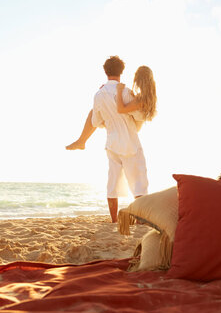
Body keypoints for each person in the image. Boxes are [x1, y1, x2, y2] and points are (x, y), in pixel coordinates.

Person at [66, 56, 157, 223]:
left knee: (112, 182)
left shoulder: (98, 94)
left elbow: (96, 121)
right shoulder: (127, 92)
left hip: (112, 143)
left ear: (105, 71)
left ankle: (114, 220)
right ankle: (139, 220)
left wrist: (109, 121)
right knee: (138, 182)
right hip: (130, 143)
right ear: (121, 72)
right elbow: (138, 117)